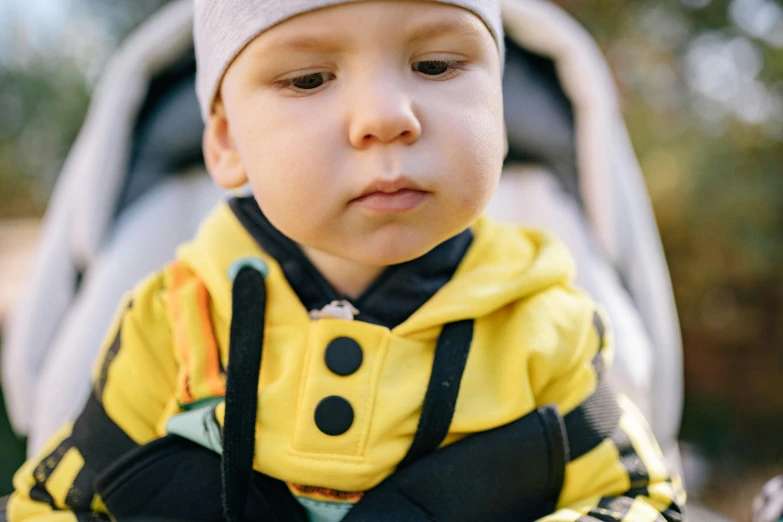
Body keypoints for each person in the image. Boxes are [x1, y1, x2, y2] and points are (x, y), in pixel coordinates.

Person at [5, 1, 686, 521]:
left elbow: (641, 498)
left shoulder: (549, 330)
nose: (386, 115)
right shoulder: (174, 325)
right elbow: (54, 501)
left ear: (501, 116)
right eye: (308, 78)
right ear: (225, 142)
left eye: (436, 66)